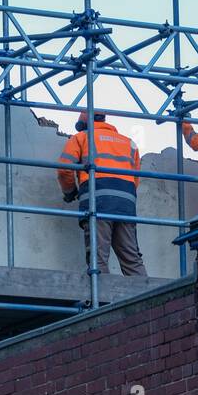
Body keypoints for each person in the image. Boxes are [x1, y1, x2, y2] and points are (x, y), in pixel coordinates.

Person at [58, 110, 147, 277]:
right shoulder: (129, 143)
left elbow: (64, 169)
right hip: (126, 205)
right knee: (131, 257)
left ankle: (103, 300)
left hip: (98, 202)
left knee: (97, 257)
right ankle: (148, 299)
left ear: (83, 124)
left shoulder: (82, 137)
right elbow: (136, 178)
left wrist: (70, 192)